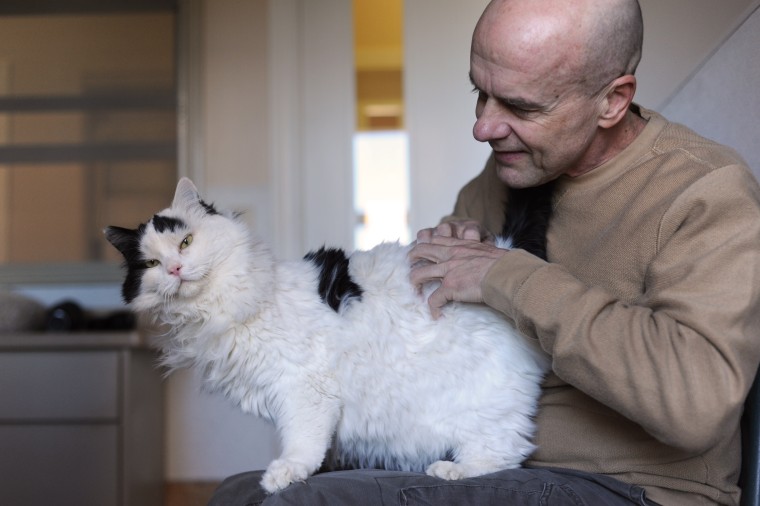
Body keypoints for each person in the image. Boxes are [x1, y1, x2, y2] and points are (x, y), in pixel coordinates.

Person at [209, 0, 760, 504]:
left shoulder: (705, 192)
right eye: (480, 91)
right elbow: (440, 311)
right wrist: (434, 263)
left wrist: (510, 277)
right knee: (242, 493)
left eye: (520, 105)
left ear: (613, 101)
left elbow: (697, 405)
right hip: (477, 456)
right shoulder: (512, 169)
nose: (484, 126)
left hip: (632, 487)